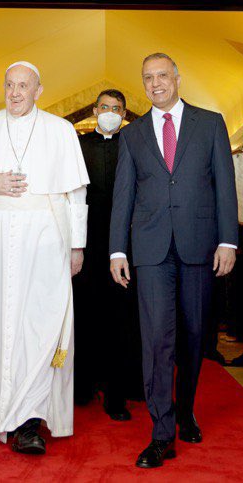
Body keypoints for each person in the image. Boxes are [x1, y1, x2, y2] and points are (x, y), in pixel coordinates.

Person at [0, 61, 89, 455]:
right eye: (9, 85)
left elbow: (76, 195)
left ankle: (29, 422)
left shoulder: (60, 131)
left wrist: (77, 246)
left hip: (45, 239)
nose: (15, 93)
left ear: (38, 90)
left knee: (40, 326)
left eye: (23, 86)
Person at [109, 53, 238, 469]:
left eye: (162, 75)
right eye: (148, 78)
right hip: (149, 252)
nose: (156, 83)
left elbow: (224, 187)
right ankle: (161, 431)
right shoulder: (133, 136)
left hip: (199, 245)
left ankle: (185, 411)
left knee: (195, 336)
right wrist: (117, 249)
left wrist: (228, 242)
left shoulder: (211, 123)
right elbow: (122, 197)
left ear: (178, 78)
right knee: (157, 339)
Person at [73, 88, 142, 421]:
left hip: (123, 244)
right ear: (95, 110)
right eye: (104, 107)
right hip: (84, 241)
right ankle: (81, 386)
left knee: (121, 317)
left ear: (125, 112)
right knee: (84, 312)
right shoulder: (77, 145)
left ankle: (118, 393)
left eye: (117, 108)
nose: (110, 111)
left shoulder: (135, 145)